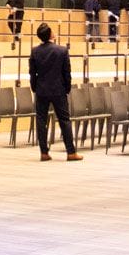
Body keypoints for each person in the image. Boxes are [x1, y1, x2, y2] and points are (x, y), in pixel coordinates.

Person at [28, 23, 82, 162]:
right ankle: (71, 152)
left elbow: (32, 73)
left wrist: (35, 88)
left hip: (41, 90)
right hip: (59, 90)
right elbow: (67, 73)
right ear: (50, 34)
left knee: (41, 121)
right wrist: (67, 88)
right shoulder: (62, 50)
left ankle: (44, 153)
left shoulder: (35, 51)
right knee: (64, 121)